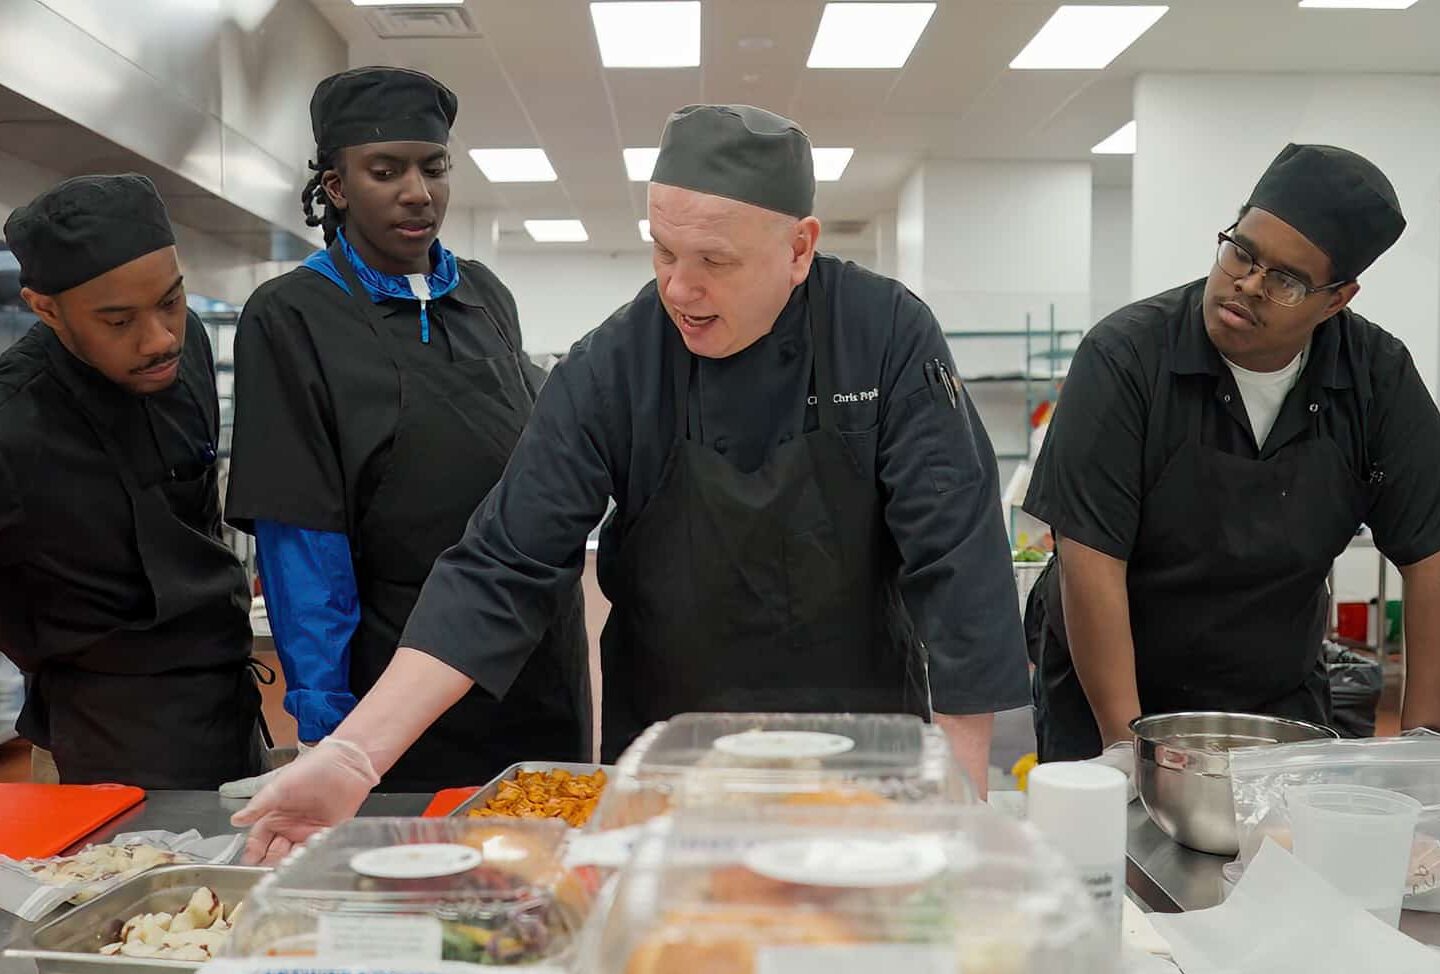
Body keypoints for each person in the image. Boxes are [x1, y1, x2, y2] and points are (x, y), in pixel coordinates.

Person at [234, 102, 1029, 862]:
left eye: (714, 260)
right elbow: (501, 563)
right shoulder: (617, 360)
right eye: (662, 251)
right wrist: (352, 760)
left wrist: (957, 789)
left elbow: (956, 554)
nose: (678, 289)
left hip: (859, 744)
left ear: (798, 248)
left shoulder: (884, 334)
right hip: (669, 743)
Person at [221, 67, 590, 794]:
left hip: (539, 661)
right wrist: (326, 722)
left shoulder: (484, 294)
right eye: (384, 171)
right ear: (335, 186)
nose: (416, 192)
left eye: (433, 167)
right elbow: (302, 534)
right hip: (400, 670)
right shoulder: (293, 315)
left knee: (548, 868)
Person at [1022, 143, 1440, 769]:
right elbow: (1090, 561)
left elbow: (1431, 561)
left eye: (1287, 280)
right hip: (1111, 686)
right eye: (1241, 251)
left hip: (1274, 697)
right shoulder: (1125, 358)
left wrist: (1422, 752)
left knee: (1281, 860)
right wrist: (1124, 746)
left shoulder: (1377, 378)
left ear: (1336, 300)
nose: (1247, 284)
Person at [0, 174, 263, 787]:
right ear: (45, 308)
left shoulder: (187, 345)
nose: (160, 338)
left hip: (228, 700)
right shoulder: (13, 419)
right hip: (98, 729)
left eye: (171, 300)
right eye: (118, 321)